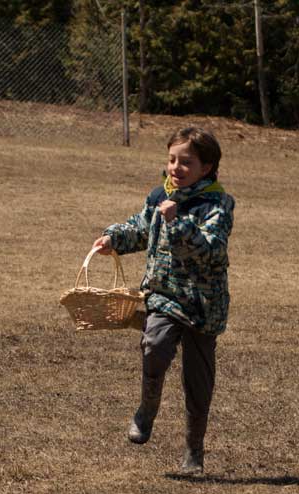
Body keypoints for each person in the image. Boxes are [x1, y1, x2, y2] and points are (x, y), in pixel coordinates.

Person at [91, 127, 235, 475]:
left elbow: (210, 249)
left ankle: (193, 451)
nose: (176, 168)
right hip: (164, 294)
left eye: (187, 162)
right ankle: (146, 409)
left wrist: (178, 221)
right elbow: (142, 227)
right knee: (154, 344)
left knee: (197, 382)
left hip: (202, 304)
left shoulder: (217, 204)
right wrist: (115, 237)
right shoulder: (160, 196)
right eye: (172, 160)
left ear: (207, 167)